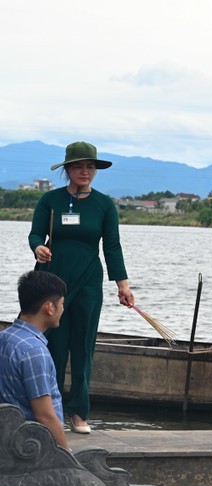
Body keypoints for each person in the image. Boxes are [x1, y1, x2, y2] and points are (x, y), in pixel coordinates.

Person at [28, 141, 135, 435]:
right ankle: (51, 412)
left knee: (83, 345)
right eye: (78, 166)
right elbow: (36, 233)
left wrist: (122, 286)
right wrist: (38, 246)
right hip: (53, 281)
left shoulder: (103, 205)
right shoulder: (50, 200)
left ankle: (79, 413)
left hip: (88, 281)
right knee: (53, 346)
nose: (84, 171)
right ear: (67, 169)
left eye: (90, 166)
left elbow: (112, 247)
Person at [0, 271, 70, 450]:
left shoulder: (5, 337)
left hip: (9, 440)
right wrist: (67, 459)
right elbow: (45, 416)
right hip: (34, 450)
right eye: (61, 304)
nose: (63, 309)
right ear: (49, 308)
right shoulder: (34, 351)